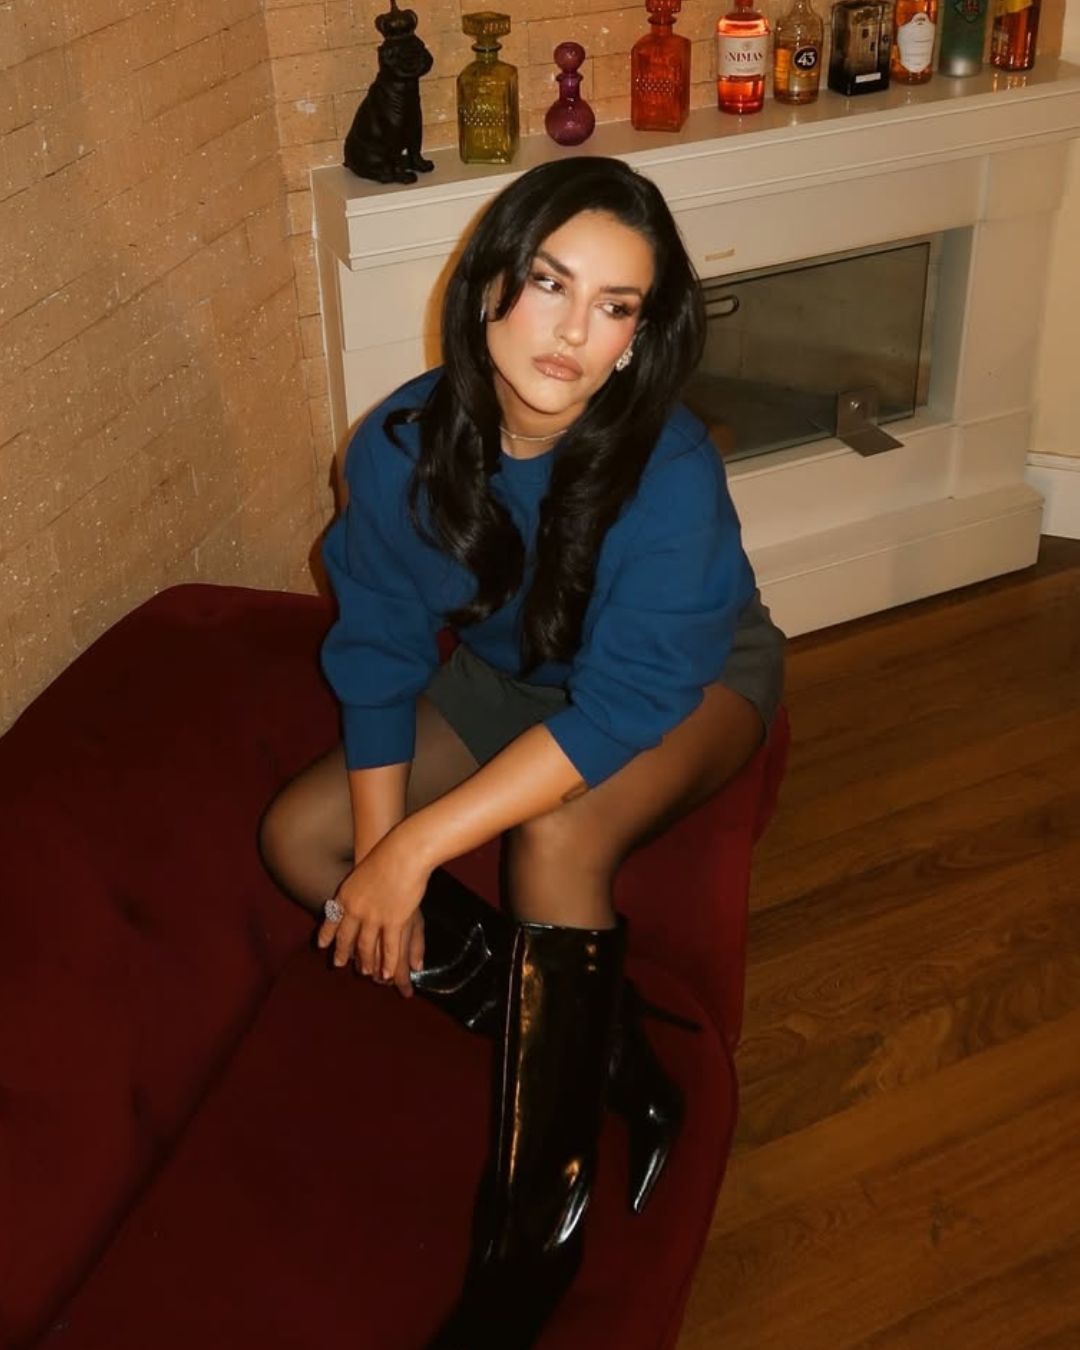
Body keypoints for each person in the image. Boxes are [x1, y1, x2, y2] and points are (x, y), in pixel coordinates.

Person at [259, 155, 785, 1348]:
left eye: (615, 306)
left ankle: (527, 1262)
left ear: (639, 338)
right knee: (304, 839)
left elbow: (622, 705)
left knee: (556, 837)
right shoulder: (399, 444)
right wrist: (379, 847)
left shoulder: (667, 466)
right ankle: (613, 1056)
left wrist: (417, 852)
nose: (574, 332)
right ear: (489, 281)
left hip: (687, 681)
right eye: (551, 283)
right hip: (512, 677)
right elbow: (380, 646)